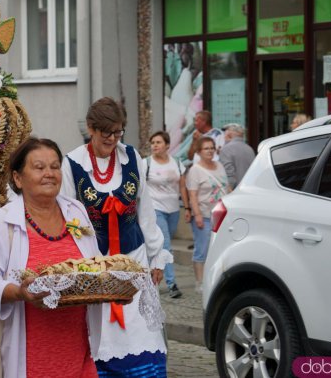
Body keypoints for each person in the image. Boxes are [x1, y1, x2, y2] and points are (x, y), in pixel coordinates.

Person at [0, 137, 101, 378]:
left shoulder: (76, 212)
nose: (49, 174)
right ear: (18, 178)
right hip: (27, 355)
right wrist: (19, 292)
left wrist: (111, 286)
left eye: (54, 166)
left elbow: (94, 264)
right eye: (39, 167)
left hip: (77, 351)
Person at [61, 97, 172, 377]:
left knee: (141, 333)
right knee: (102, 337)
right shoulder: (72, 163)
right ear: (91, 128)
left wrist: (157, 256)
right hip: (95, 267)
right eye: (105, 132)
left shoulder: (132, 157)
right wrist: (87, 262)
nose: (112, 138)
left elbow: (145, 210)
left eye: (118, 132)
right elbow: (69, 217)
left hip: (133, 261)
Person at [144, 131, 190, 299]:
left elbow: (183, 187)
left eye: (158, 142)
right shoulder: (146, 164)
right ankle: (172, 284)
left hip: (173, 210)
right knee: (166, 245)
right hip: (155, 209)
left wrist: (187, 208)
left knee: (159, 246)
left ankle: (148, 277)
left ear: (167, 146)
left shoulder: (177, 163)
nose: (155, 145)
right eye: (153, 142)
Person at [186, 137, 230, 293]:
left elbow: (227, 187)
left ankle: (215, 279)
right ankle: (199, 282)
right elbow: (192, 195)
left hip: (221, 215)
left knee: (219, 249)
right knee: (202, 250)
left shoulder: (219, 166)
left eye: (212, 148)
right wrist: (196, 215)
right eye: (206, 148)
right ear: (199, 152)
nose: (210, 151)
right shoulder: (195, 170)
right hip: (204, 215)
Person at [219, 123, 255, 188]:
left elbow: (229, 176)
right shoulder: (249, 149)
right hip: (249, 189)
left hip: (235, 191)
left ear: (229, 136)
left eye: (225, 135)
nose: (224, 137)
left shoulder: (226, 149)